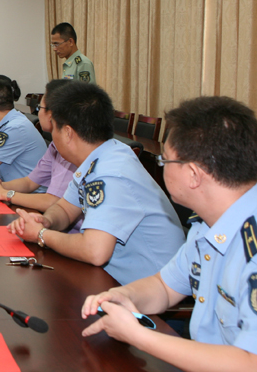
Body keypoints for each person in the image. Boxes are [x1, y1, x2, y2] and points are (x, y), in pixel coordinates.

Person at [80, 96, 257, 370]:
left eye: (165, 160)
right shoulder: (207, 224)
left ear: (193, 174)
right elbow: (164, 286)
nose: (161, 167)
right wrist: (126, 295)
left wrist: (139, 336)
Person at [7, 82, 184, 285]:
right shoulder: (100, 156)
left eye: (54, 128)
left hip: (151, 289)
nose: (52, 136)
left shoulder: (111, 172)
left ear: (68, 133)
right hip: (113, 279)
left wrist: (41, 234)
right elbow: (65, 209)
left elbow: (95, 251)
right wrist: (45, 221)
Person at [0, 79, 83, 231]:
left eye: (40, 107)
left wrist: (5, 193)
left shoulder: (71, 149)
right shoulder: (55, 145)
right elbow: (29, 182)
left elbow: (52, 202)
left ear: (52, 114)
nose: (38, 112)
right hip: (51, 219)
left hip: (65, 229)